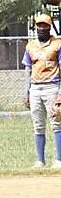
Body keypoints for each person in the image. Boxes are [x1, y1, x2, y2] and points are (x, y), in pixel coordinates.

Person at [22, 13, 61, 169]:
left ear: (50, 27)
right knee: (38, 125)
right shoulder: (30, 46)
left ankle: (58, 160)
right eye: (39, 25)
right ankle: (40, 161)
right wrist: (26, 92)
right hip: (35, 88)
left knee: (57, 123)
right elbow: (27, 69)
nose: (42, 28)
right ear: (36, 27)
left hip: (53, 86)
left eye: (45, 25)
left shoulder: (57, 44)